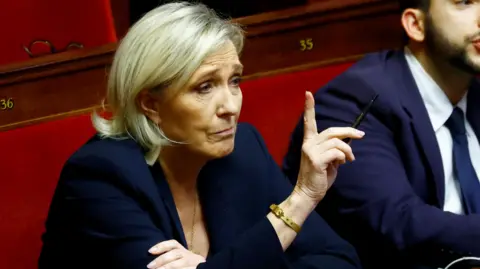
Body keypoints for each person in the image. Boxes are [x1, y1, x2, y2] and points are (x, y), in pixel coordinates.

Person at [38, 2, 364, 269]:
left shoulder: (242, 148)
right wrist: (300, 200)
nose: (230, 106)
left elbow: (340, 261)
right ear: (151, 103)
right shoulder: (99, 177)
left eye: (234, 81)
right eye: (205, 87)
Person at [283, 0, 480, 268]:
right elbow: (400, 223)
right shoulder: (356, 100)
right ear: (416, 25)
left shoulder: (475, 93)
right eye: (465, 2)